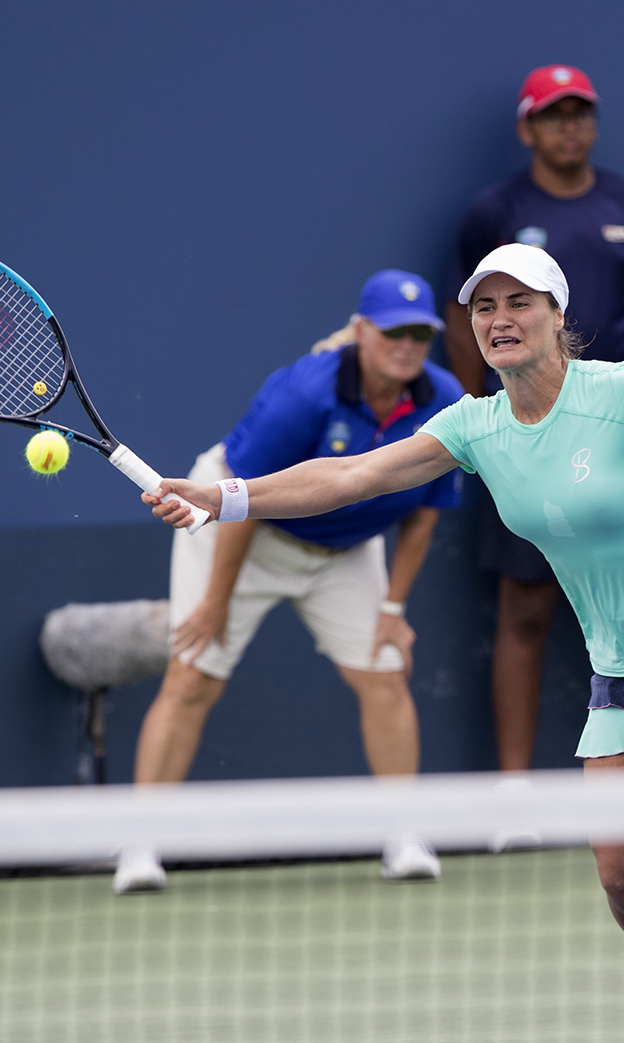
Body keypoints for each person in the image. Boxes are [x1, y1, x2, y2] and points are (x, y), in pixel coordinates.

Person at [142, 243, 624, 1043]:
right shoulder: (474, 426)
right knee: (622, 878)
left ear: (556, 316)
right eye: (484, 307)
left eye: (519, 303)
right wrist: (221, 496)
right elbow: (351, 477)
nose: (499, 320)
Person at [113, 269, 464, 894]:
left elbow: (426, 512)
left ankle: (404, 836)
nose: (407, 346)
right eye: (393, 332)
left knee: (385, 672)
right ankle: (140, 846)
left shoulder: (444, 399)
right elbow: (241, 502)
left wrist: (392, 608)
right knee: (192, 677)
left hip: (346, 549)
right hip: (239, 525)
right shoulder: (303, 394)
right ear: (361, 331)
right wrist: (215, 602)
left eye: (420, 334)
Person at [444, 65, 624, 773]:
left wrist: (610, 394)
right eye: (553, 114)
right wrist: (503, 410)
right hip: (526, 431)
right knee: (524, 606)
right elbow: (463, 321)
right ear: (527, 129)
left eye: (579, 112)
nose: (569, 126)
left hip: (615, 432)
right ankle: (516, 796)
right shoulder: (492, 210)